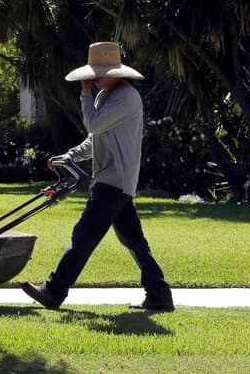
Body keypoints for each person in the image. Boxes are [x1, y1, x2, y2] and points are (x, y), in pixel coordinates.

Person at [21, 41, 174, 312]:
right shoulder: (106, 96)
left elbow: (93, 123)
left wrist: (84, 93)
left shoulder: (126, 96)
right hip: (114, 179)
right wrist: (72, 155)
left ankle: (54, 291)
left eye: (96, 74)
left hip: (114, 179)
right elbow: (96, 136)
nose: (92, 79)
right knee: (134, 241)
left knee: (83, 235)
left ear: (114, 73)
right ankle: (159, 295)